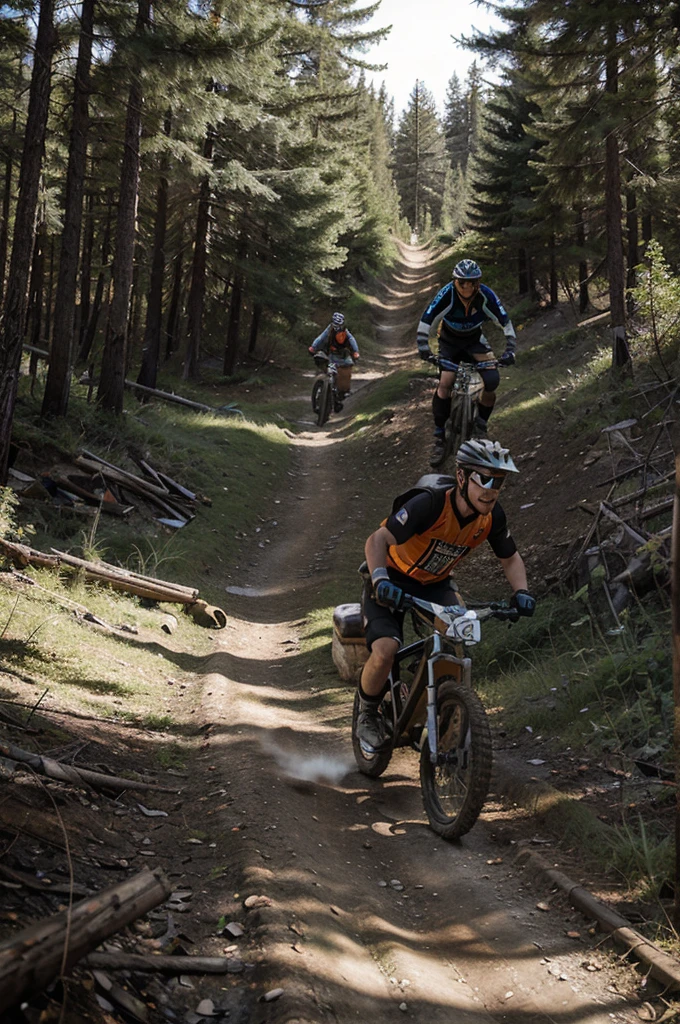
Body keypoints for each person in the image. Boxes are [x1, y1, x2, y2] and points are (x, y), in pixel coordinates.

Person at [356, 438, 536, 753]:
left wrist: (522, 592)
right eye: (485, 479)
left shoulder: (491, 518)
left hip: (435, 584)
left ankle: (431, 700)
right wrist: (380, 579)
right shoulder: (431, 504)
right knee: (385, 649)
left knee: (457, 642)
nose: (492, 490)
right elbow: (377, 540)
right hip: (391, 576)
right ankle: (368, 714)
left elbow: (510, 558)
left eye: (500, 482)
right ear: (462, 477)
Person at [416, 259, 517, 466]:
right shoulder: (447, 293)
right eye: (462, 282)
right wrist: (423, 346)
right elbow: (428, 317)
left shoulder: (485, 295)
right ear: (455, 281)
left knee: (492, 380)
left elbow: (504, 320)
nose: (466, 287)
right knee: (445, 382)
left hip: (474, 341)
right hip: (449, 341)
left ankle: (481, 425)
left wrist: (510, 349)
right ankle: (439, 437)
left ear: (477, 283)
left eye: (471, 283)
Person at [309, 312, 360, 411]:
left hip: (342, 356)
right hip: (331, 354)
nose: (336, 327)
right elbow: (321, 337)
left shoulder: (345, 332)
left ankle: (340, 395)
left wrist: (355, 352)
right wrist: (313, 347)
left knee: (346, 371)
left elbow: (351, 339)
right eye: (335, 324)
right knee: (326, 366)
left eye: (339, 325)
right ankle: (321, 388)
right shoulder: (329, 329)